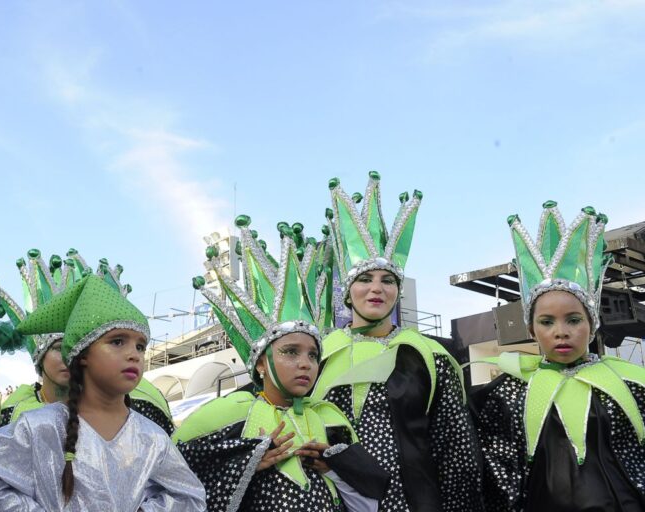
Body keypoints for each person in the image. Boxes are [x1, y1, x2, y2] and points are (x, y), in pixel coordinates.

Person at [177, 215, 388, 511]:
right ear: (261, 364)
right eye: (290, 352)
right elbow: (173, 489)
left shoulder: (332, 420)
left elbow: (368, 503)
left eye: (313, 355)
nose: (305, 364)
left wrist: (334, 467)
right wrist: (245, 466)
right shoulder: (224, 416)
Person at [0, 275, 207, 511]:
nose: (133, 355)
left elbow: (191, 497)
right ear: (82, 355)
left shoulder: (152, 438)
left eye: (140, 346)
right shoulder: (42, 426)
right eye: (117, 342)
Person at [310, 172, 483, 511]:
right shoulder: (319, 354)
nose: (377, 288)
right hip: (336, 498)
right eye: (365, 279)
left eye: (387, 280)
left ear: (397, 290)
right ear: (348, 291)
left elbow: (454, 444)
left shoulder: (427, 356)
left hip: (415, 499)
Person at [473, 202, 645, 511]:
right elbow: (494, 477)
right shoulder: (505, 395)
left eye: (574, 320)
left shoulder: (632, 386)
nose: (560, 332)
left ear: (592, 323)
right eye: (547, 322)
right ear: (531, 327)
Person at [0, 248, 173, 433]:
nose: (69, 356)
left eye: (140, 347)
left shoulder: (139, 410)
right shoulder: (14, 417)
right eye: (59, 348)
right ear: (39, 356)